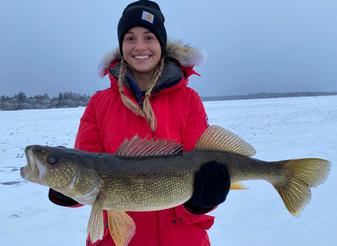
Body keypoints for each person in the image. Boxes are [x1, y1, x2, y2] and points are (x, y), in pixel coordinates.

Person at [48, 1, 231, 245]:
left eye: (149, 38)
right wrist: (66, 189)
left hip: (182, 237)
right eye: (130, 38)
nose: (139, 46)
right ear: (121, 45)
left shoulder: (189, 100)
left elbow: (200, 163)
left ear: (161, 45)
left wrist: (201, 201)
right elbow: (87, 170)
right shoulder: (99, 103)